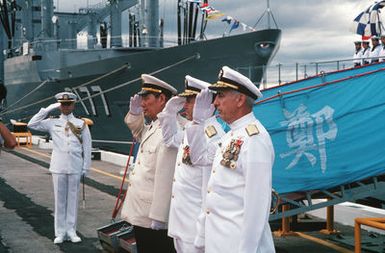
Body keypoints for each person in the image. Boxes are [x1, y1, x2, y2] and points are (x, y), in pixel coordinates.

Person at [195, 66, 275, 253]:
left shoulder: (255, 139)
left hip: (237, 245)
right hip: (219, 242)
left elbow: (257, 207)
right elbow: (201, 162)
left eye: (221, 95)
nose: (215, 103)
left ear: (239, 99)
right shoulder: (230, 136)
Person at [158, 76, 224, 253]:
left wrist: (202, 233)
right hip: (181, 222)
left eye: (190, 101)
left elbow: (209, 190)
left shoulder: (212, 135)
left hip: (195, 228)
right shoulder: (192, 129)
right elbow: (170, 139)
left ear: (206, 105)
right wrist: (168, 114)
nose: (184, 106)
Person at [120, 74, 178, 253]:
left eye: (146, 98)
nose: (142, 103)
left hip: (153, 217)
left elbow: (166, 178)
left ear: (162, 99)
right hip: (142, 213)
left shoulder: (171, 131)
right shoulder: (155, 126)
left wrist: (159, 217)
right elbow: (139, 132)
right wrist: (135, 113)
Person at [27, 92, 92, 244]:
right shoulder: (51, 122)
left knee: (72, 200)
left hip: (75, 166)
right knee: (60, 201)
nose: (65, 107)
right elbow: (31, 124)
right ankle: (60, 232)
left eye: (68, 104)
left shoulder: (81, 124)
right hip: (58, 166)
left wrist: (86, 167)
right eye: (62, 104)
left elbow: (88, 146)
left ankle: (71, 230)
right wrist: (47, 109)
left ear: (73, 104)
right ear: (59, 105)